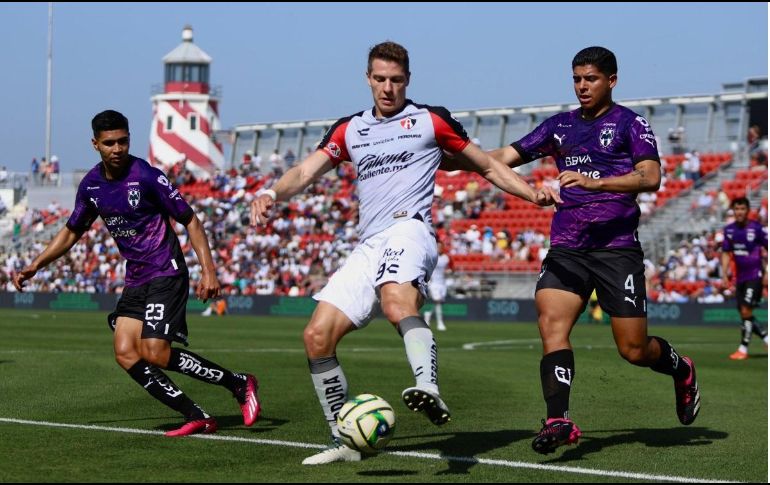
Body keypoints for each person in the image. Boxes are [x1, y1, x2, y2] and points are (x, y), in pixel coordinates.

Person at [250, 41, 558, 465]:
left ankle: (427, 386)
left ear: (407, 80)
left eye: (396, 80)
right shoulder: (349, 129)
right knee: (316, 337)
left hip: (409, 228)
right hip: (368, 242)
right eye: (380, 79)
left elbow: (486, 165)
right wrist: (270, 193)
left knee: (397, 301)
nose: (388, 88)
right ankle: (346, 438)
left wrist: (531, 193)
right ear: (368, 79)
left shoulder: (430, 120)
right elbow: (304, 171)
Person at [487, 46, 701, 454]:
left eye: (591, 79)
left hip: (616, 249)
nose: (582, 86)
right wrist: (449, 156)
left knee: (633, 350)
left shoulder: (630, 124)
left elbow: (650, 176)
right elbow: (502, 157)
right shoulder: (558, 127)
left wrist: (595, 182)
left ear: (611, 81)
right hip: (567, 246)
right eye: (577, 79)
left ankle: (681, 368)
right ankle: (557, 420)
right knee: (551, 325)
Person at [13, 110, 261, 437]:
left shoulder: (146, 176)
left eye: (123, 141)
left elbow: (191, 221)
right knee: (126, 352)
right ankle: (196, 414)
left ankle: (238, 383)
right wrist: (36, 264)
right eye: (109, 143)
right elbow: (72, 231)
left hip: (165, 271)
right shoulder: (91, 185)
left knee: (155, 352)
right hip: (136, 279)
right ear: (95, 144)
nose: (117, 148)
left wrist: (208, 272)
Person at [721, 197, 768, 360]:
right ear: (733, 211)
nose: (739, 212)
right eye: (737, 209)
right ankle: (767, 339)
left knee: (746, 310)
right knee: (743, 313)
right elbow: (726, 253)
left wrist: (767, 272)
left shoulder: (757, 229)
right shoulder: (729, 230)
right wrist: (724, 272)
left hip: (755, 275)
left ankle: (743, 349)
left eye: (742, 209)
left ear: (748, 211)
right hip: (740, 278)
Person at [424, 240, 452, 331]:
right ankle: (440, 323)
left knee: (439, 303)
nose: (439, 248)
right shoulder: (431, 257)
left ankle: (428, 314)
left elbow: (452, 268)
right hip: (434, 283)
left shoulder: (446, 258)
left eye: (440, 247)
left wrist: (449, 272)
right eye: (437, 247)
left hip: (442, 283)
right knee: (438, 301)